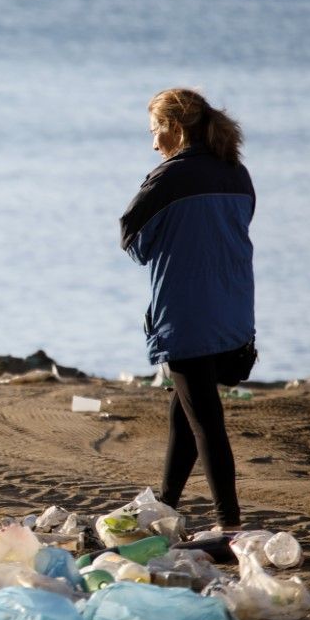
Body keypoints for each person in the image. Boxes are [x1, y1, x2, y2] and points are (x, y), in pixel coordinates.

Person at [119, 87, 255, 530]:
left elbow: (133, 239)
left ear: (175, 129)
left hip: (187, 314)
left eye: (156, 132)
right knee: (187, 409)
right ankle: (167, 505)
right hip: (233, 310)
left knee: (205, 421)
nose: (153, 143)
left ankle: (228, 522)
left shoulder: (168, 177)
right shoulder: (237, 173)